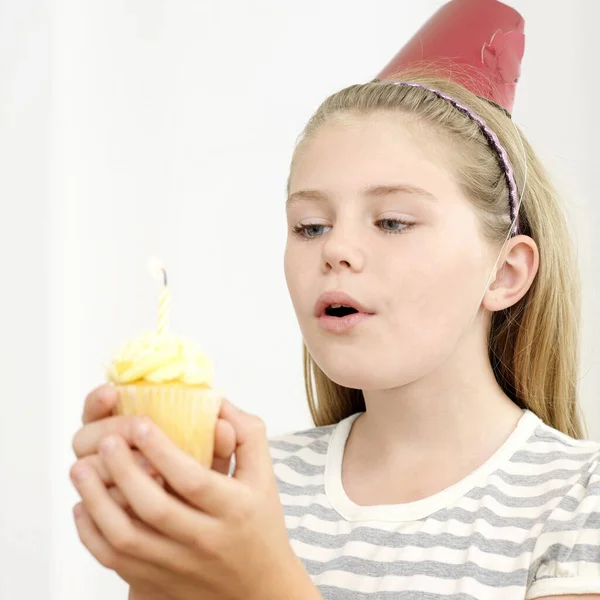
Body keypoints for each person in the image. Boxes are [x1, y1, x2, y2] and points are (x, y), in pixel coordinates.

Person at [69, 1, 600, 598]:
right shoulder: (250, 489)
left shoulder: (579, 499)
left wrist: (261, 579)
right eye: (310, 226)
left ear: (505, 273)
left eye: (394, 221)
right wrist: (160, 558)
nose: (337, 249)